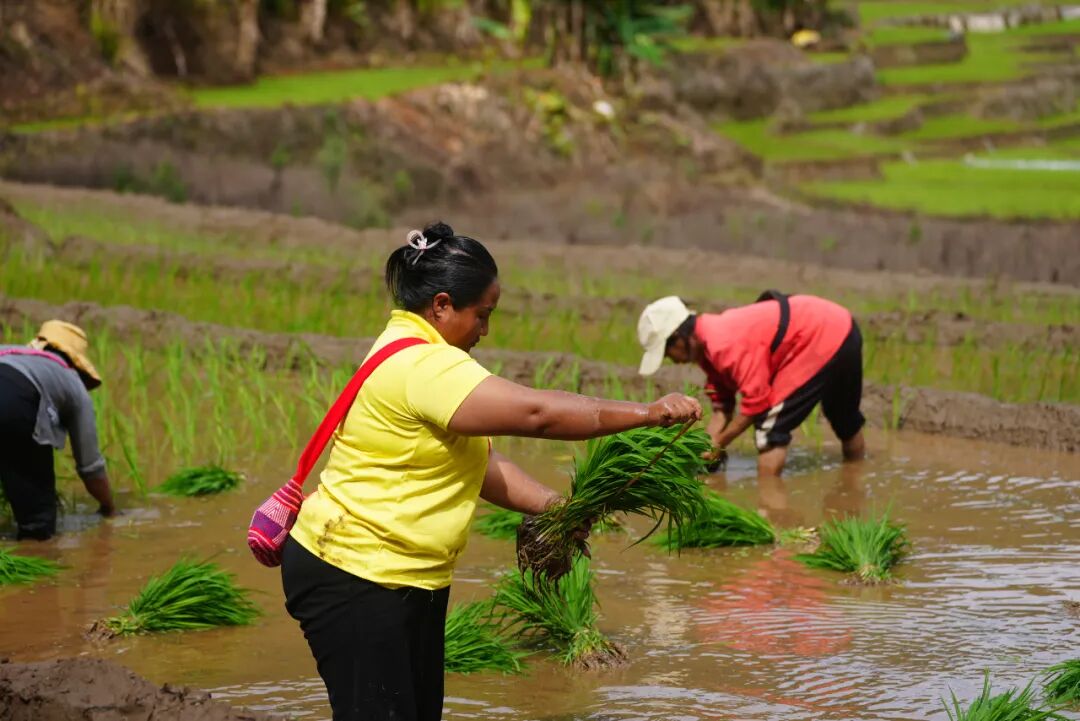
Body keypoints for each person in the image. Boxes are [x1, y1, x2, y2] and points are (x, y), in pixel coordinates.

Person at [281, 222, 701, 721]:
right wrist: (648, 413)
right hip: (358, 574)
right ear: (440, 305)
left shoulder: (412, 354)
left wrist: (557, 508)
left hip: (398, 576)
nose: (485, 330)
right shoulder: (424, 366)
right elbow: (537, 414)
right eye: (482, 315)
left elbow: (475, 464)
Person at [636, 293, 865, 478]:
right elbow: (721, 406)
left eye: (667, 352)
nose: (672, 360)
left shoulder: (722, 344)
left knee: (770, 427)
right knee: (845, 418)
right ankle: (855, 480)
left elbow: (756, 403)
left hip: (819, 335)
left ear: (678, 337)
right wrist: (704, 447)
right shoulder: (709, 343)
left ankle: (768, 509)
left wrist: (720, 442)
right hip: (845, 328)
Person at [0, 320, 116, 540]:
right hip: (14, 405)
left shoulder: (5, 351)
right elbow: (90, 467)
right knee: (37, 526)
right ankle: (34, 556)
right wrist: (109, 506)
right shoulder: (72, 383)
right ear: (76, 363)